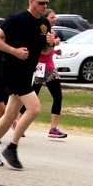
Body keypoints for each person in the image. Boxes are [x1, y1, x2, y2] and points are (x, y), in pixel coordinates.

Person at [0, 0, 55, 169]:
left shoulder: (44, 23)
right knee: (34, 108)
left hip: (27, 72)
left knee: (10, 115)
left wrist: (49, 43)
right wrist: (14, 51)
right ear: (31, 1)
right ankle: (12, 147)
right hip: (12, 70)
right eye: (41, 3)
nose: (44, 6)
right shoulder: (16, 19)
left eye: (46, 3)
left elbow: (45, 52)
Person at [31, 9, 67, 139]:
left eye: (55, 17)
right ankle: (17, 121)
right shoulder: (41, 31)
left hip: (49, 68)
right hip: (40, 68)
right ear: (45, 18)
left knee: (57, 97)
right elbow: (42, 51)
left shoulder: (52, 32)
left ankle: (53, 128)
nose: (54, 19)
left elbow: (48, 51)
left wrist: (55, 50)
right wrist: (53, 45)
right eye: (52, 17)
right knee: (32, 97)